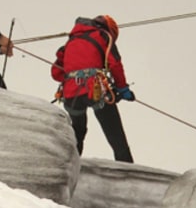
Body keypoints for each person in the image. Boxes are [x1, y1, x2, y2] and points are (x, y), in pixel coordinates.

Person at [51, 15, 135, 163]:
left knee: (78, 133)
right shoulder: (104, 36)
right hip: (95, 89)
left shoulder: (70, 41)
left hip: (71, 95)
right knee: (115, 133)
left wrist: (75, 73)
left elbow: (56, 73)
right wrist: (123, 89)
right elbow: (115, 64)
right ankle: (127, 167)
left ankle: (69, 166)